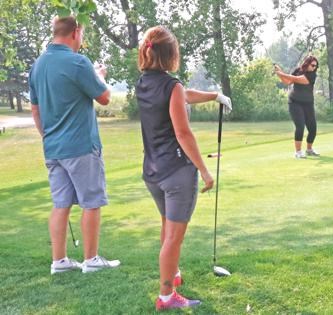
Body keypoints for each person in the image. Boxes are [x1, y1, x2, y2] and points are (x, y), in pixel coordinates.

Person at [135, 26, 232, 311]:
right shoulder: (171, 86)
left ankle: (172, 275)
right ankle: (166, 297)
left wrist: (214, 96)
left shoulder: (144, 83)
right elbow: (183, 133)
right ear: (171, 54)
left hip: (152, 171)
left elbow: (183, 94)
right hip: (177, 172)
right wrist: (204, 169)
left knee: (167, 229)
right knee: (174, 238)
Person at [29, 16, 120, 275]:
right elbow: (104, 97)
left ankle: (59, 261)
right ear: (75, 32)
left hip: (53, 148)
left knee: (61, 204)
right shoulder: (78, 62)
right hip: (80, 146)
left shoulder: (37, 66)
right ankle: (91, 260)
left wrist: (47, 137)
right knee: (91, 202)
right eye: (82, 34)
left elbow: (35, 110)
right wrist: (99, 75)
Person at [274, 56, 320, 159]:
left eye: (316, 66)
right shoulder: (298, 70)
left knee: (313, 129)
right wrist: (279, 73)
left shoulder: (312, 75)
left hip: (308, 103)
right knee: (300, 126)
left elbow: (296, 79)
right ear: (307, 63)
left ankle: (309, 149)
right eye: (312, 65)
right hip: (295, 102)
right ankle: (298, 152)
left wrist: (281, 73)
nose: (314, 68)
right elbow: (288, 82)